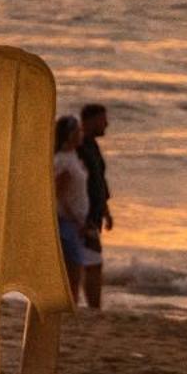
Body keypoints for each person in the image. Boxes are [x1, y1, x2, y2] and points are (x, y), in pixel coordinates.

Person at [78, 102, 115, 310]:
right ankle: (93, 307)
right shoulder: (80, 145)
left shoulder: (92, 145)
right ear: (90, 121)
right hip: (83, 215)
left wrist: (106, 211)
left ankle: (92, 305)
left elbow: (100, 180)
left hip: (93, 213)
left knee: (88, 261)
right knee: (92, 262)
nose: (107, 124)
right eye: (103, 120)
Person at [52, 115, 90, 306]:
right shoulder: (63, 161)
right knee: (73, 269)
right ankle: (70, 305)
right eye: (77, 132)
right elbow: (57, 193)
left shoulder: (72, 158)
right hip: (66, 222)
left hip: (72, 221)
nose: (81, 134)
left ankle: (71, 304)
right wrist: (76, 218)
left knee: (75, 268)